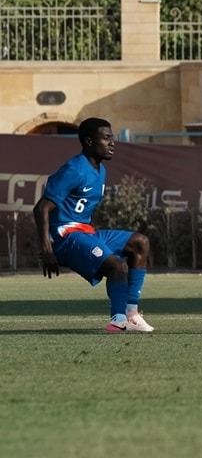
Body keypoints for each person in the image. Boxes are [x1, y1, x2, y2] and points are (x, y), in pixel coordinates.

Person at [32, 117, 155, 333]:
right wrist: (47, 249)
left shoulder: (100, 170)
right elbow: (41, 208)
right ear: (89, 141)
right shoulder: (74, 169)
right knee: (117, 266)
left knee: (140, 243)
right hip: (65, 238)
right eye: (106, 138)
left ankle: (132, 315)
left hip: (85, 232)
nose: (112, 143)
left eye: (112, 138)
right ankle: (118, 321)